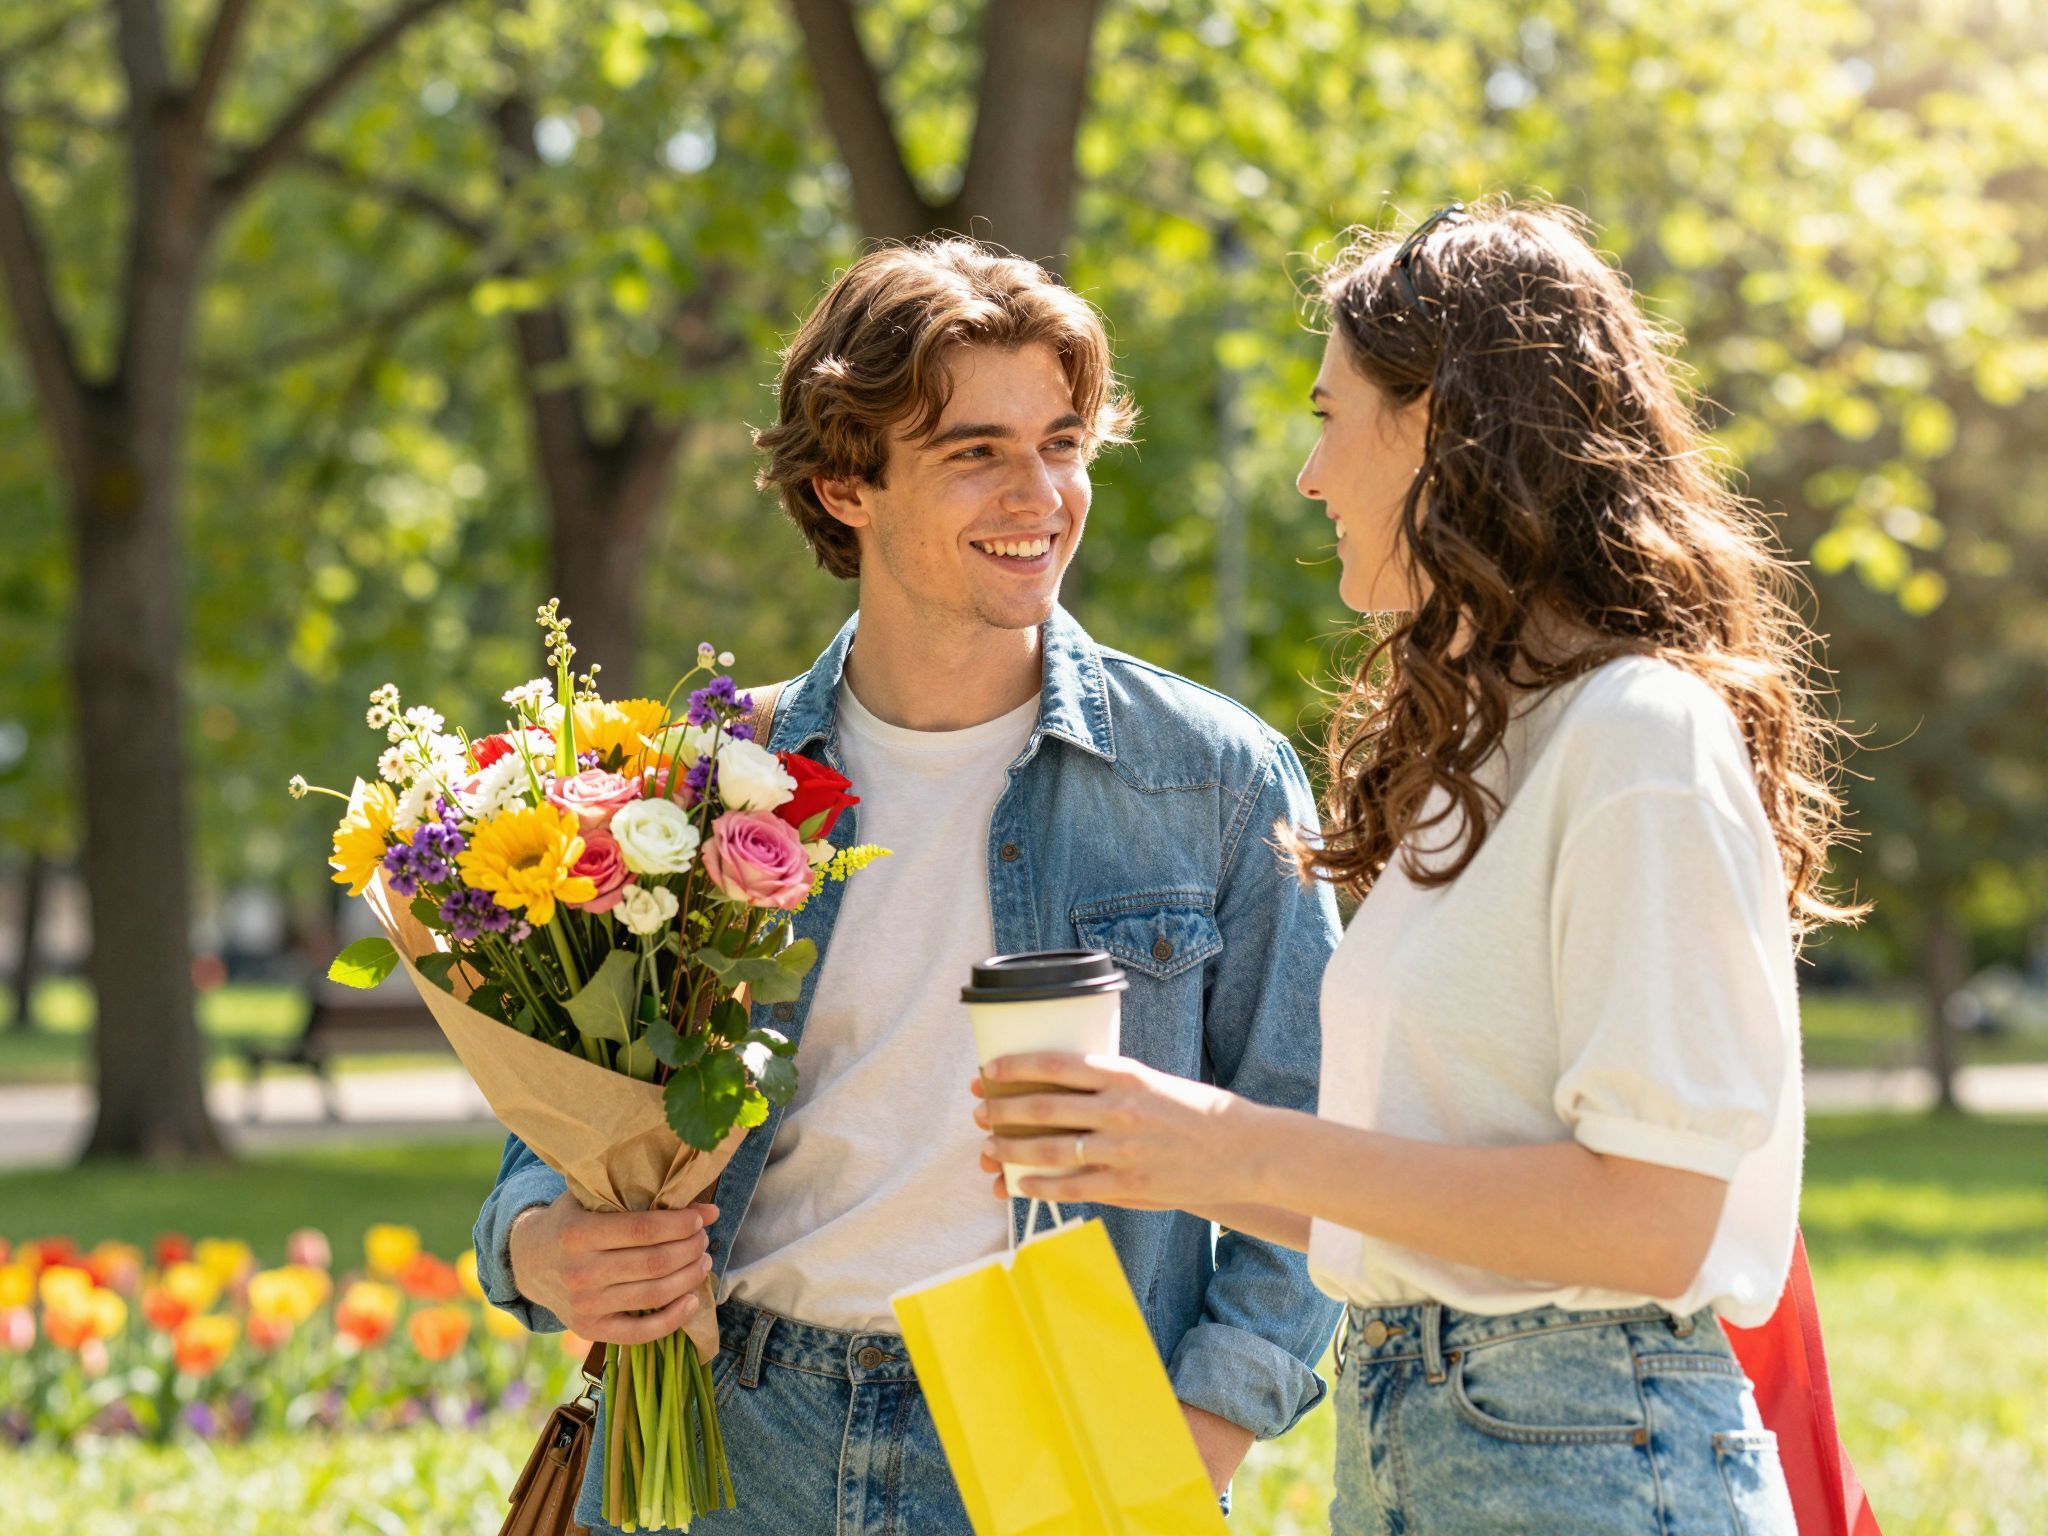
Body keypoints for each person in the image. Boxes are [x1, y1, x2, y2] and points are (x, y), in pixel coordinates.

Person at [978, 200, 1858, 1535]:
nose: (1308, 476)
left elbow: (1652, 1223)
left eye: (1330, 416)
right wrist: (1138, 1147)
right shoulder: (1493, 757)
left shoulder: (1639, 736)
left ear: (1446, 423)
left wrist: (1226, 1138)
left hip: (1582, 1446)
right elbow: (1431, 1180)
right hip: (1435, 1432)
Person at [472, 237, 1344, 1534]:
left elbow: (1319, 1143)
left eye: (1064, 440)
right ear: (844, 486)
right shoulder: (694, 783)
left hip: (1066, 1431)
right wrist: (542, 1248)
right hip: (729, 1428)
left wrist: (1195, 1437)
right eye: (974, 451)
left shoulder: (1215, 780)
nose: (1040, 493)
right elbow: (552, 1139)